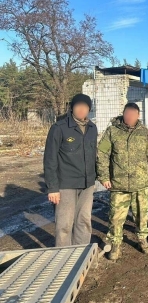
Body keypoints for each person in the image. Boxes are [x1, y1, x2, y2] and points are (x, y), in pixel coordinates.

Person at [97, 103, 148, 260]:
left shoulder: (145, 133)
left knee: (142, 215)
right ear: (123, 114)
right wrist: (104, 177)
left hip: (140, 183)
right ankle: (115, 245)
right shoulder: (112, 131)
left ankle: (142, 240)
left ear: (138, 116)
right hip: (119, 184)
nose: (130, 116)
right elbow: (102, 154)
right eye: (127, 113)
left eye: (133, 114)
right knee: (116, 217)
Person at [43, 93, 98, 247]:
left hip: (87, 184)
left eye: (85, 107)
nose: (81, 109)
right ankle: (64, 257)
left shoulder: (92, 128)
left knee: (84, 221)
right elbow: (50, 159)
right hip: (65, 184)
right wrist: (52, 188)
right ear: (72, 108)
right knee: (64, 225)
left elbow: (94, 155)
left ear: (89, 109)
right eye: (78, 106)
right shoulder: (59, 128)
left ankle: (80, 254)